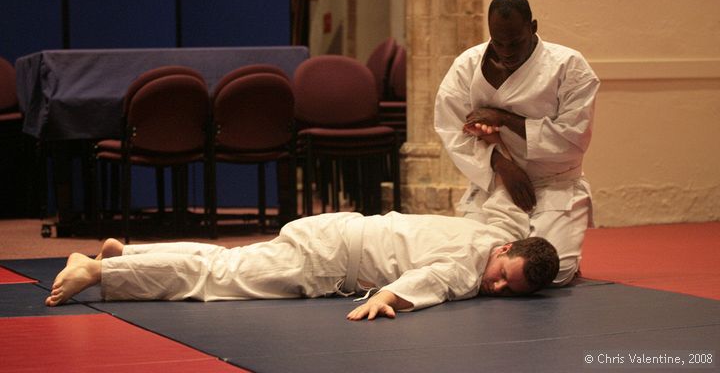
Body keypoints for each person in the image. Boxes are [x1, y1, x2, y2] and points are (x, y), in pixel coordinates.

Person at [45, 211, 559, 320]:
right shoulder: (469, 267)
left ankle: (123, 253)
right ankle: (98, 273)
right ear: (505, 251)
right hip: (328, 258)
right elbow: (433, 280)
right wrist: (383, 298)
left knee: (228, 261)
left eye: (508, 291)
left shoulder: (490, 231)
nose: (494, 286)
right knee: (217, 279)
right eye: (502, 274)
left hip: (332, 235)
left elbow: (544, 254)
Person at [434, 0, 600, 286]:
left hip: (553, 183)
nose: (506, 51)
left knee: (553, 272)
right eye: (499, 42)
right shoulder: (467, 65)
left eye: (515, 42)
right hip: (495, 181)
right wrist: (501, 165)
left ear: (533, 27)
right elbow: (450, 129)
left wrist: (504, 119)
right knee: (468, 261)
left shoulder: (569, 66)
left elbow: (572, 139)